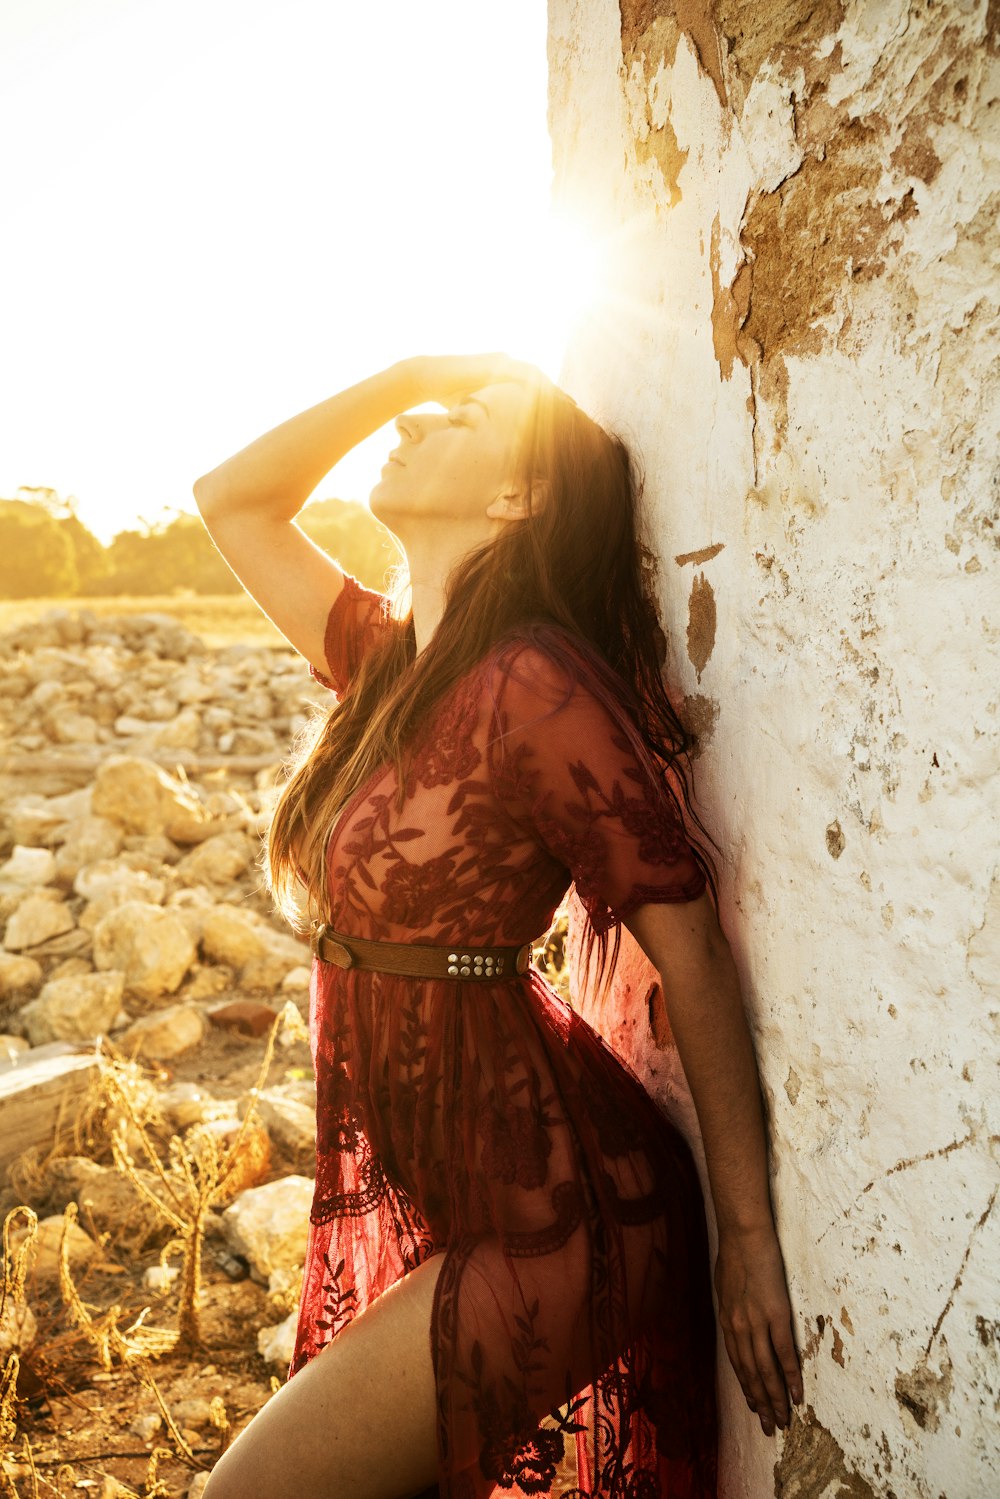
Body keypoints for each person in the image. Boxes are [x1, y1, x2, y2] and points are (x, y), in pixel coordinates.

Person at [192, 354, 802, 1499]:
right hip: (458, 1181)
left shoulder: (531, 681)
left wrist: (750, 1241)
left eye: (461, 416)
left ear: (518, 498)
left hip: (565, 1214)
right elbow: (232, 500)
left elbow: (696, 956)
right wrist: (410, 374)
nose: (421, 420)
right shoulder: (385, 664)